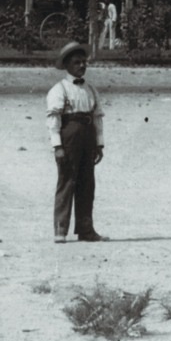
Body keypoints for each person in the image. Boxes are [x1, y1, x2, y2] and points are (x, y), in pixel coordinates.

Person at [46, 41, 108, 243]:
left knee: (87, 184)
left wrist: (99, 144)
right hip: (69, 136)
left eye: (84, 62)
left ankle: (85, 229)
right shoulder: (59, 89)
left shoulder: (90, 89)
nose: (82, 66)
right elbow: (53, 119)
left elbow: (97, 117)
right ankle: (60, 230)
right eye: (76, 62)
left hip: (88, 136)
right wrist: (57, 146)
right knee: (66, 181)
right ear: (66, 65)